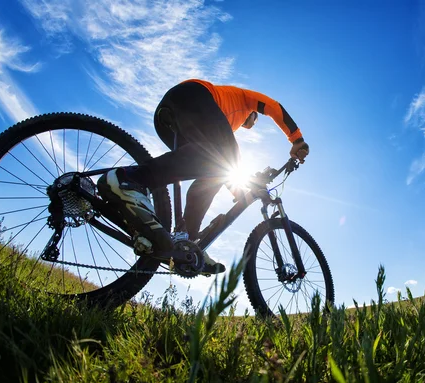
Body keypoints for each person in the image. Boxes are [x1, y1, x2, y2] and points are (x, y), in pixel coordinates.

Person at [97, 79, 309, 273]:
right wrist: (297, 139)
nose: (253, 123)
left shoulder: (224, 120)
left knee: (211, 170)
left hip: (169, 118)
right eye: (254, 119)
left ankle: (187, 242)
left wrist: (237, 189)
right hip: (192, 95)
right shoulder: (245, 100)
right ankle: (131, 179)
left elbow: (222, 169)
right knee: (228, 153)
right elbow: (273, 106)